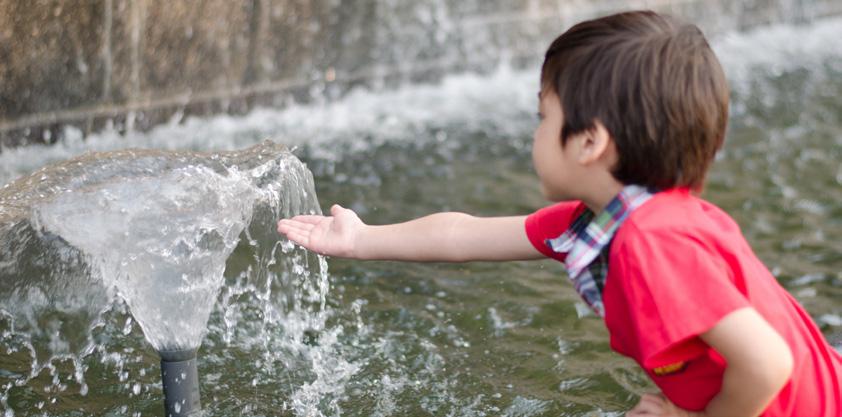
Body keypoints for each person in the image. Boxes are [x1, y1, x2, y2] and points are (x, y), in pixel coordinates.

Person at [277, 10, 842, 417]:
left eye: (543, 116)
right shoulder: (599, 223)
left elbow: (768, 365)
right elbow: (464, 235)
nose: (536, 132)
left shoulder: (655, 240)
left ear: (589, 141)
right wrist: (361, 238)